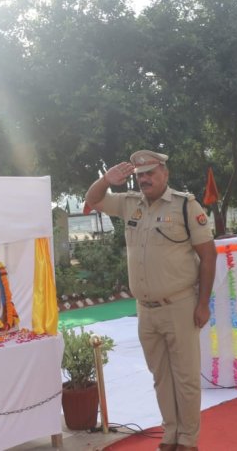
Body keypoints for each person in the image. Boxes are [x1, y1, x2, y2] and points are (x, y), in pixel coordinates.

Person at [85, 150, 215, 451]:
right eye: (140, 175)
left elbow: (208, 256)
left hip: (180, 305)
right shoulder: (130, 204)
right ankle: (170, 435)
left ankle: (188, 440)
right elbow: (93, 199)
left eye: (150, 173)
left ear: (164, 174)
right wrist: (106, 179)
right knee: (161, 377)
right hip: (145, 310)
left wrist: (203, 303)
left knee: (185, 378)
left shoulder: (185, 205)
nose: (144, 180)